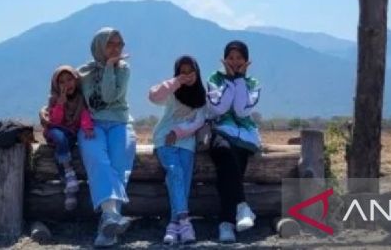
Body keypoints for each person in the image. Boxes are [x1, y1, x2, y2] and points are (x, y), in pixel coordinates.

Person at [77, 27, 137, 248]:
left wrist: (111, 66)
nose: (116, 48)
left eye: (119, 44)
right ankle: (112, 219)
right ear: (99, 46)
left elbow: (111, 96)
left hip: (120, 122)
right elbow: (69, 94)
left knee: (120, 165)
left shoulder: (123, 69)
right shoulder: (83, 71)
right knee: (97, 160)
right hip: (92, 124)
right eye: (110, 44)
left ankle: (107, 227)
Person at [148, 55, 207, 245]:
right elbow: (153, 96)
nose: (187, 76)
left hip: (186, 142)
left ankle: (173, 225)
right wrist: (175, 82)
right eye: (183, 72)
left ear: (197, 73)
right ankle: (184, 220)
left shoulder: (201, 97)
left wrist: (179, 131)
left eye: (191, 72)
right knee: (174, 170)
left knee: (184, 179)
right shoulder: (172, 91)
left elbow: (199, 121)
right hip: (164, 139)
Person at [206, 40, 262, 243]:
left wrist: (239, 80)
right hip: (221, 129)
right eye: (231, 57)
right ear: (224, 59)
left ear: (247, 61)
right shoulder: (215, 78)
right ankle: (242, 206)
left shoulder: (253, 83)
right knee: (223, 152)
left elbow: (241, 110)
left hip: (245, 134)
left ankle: (226, 223)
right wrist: (229, 80)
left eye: (239, 58)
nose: (235, 61)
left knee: (231, 166)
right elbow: (218, 109)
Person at [39, 65, 94, 211]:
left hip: (71, 132)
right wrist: (60, 105)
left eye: (69, 79)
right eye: (61, 82)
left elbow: (84, 115)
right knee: (60, 139)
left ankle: (70, 190)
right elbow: (54, 122)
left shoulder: (81, 99)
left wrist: (87, 128)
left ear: (76, 80)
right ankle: (69, 171)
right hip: (56, 131)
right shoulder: (54, 99)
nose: (66, 84)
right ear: (56, 85)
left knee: (61, 151)